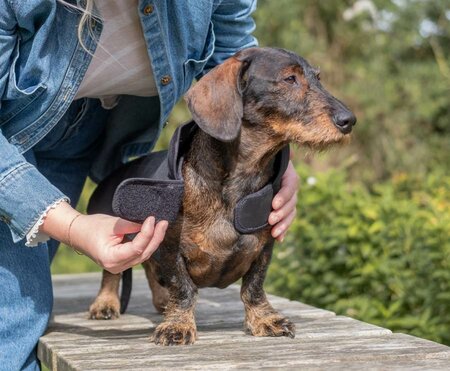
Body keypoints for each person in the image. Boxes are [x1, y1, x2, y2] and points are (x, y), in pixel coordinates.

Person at [0, 0, 299, 369]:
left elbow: (232, 69)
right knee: (13, 317)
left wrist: (278, 164)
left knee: (24, 307)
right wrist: (73, 226)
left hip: (106, 131)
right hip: (12, 135)